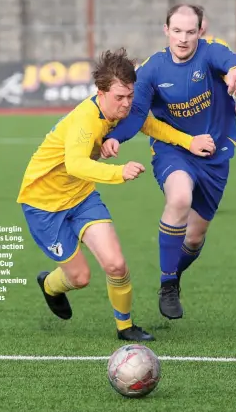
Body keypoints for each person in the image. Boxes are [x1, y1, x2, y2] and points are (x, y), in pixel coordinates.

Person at [17, 48, 216, 341]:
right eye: (119, 98)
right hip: (44, 205)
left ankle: (125, 327)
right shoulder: (86, 119)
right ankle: (49, 285)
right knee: (79, 278)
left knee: (116, 265)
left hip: (81, 197)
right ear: (100, 92)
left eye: (130, 95)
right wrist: (118, 172)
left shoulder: (118, 110)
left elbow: (146, 123)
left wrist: (189, 142)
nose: (126, 104)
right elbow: (75, 163)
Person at [101, 4, 236, 320]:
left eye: (190, 31)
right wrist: (116, 138)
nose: (183, 39)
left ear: (200, 31)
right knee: (179, 197)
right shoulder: (152, 70)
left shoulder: (209, 55)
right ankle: (168, 285)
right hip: (174, 151)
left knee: (194, 238)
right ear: (166, 30)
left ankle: (174, 276)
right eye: (177, 31)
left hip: (214, 155)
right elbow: (137, 114)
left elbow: (231, 61)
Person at [199, 8, 236, 120]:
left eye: (202, 19)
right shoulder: (182, 48)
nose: (200, 23)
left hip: (215, 103)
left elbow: (231, 73)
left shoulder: (218, 45)